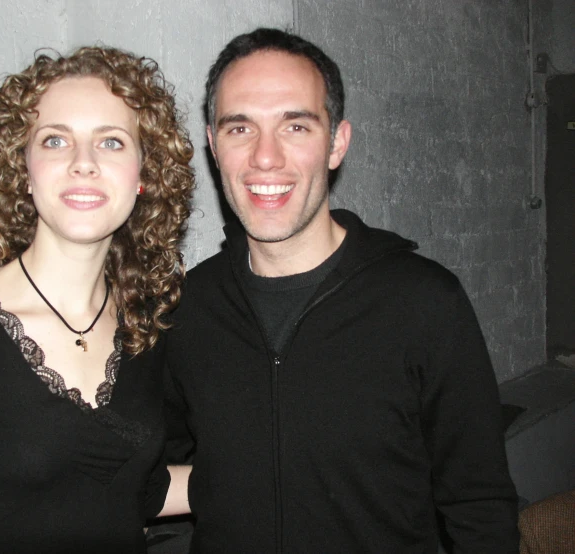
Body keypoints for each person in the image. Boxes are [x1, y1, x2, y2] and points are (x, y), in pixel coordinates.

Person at [163, 28, 520, 553]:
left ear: (337, 144)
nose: (265, 157)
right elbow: (156, 465)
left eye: (296, 127)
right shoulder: (187, 308)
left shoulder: (424, 302)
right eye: (240, 128)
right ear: (214, 147)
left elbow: (479, 506)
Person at [0, 45, 194, 554]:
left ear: (144, 176)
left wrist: (268, 472)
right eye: (55, 140)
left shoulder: (146, 332)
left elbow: (137, 491)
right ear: (22, 170)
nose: (83, 164)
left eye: (111, 142)